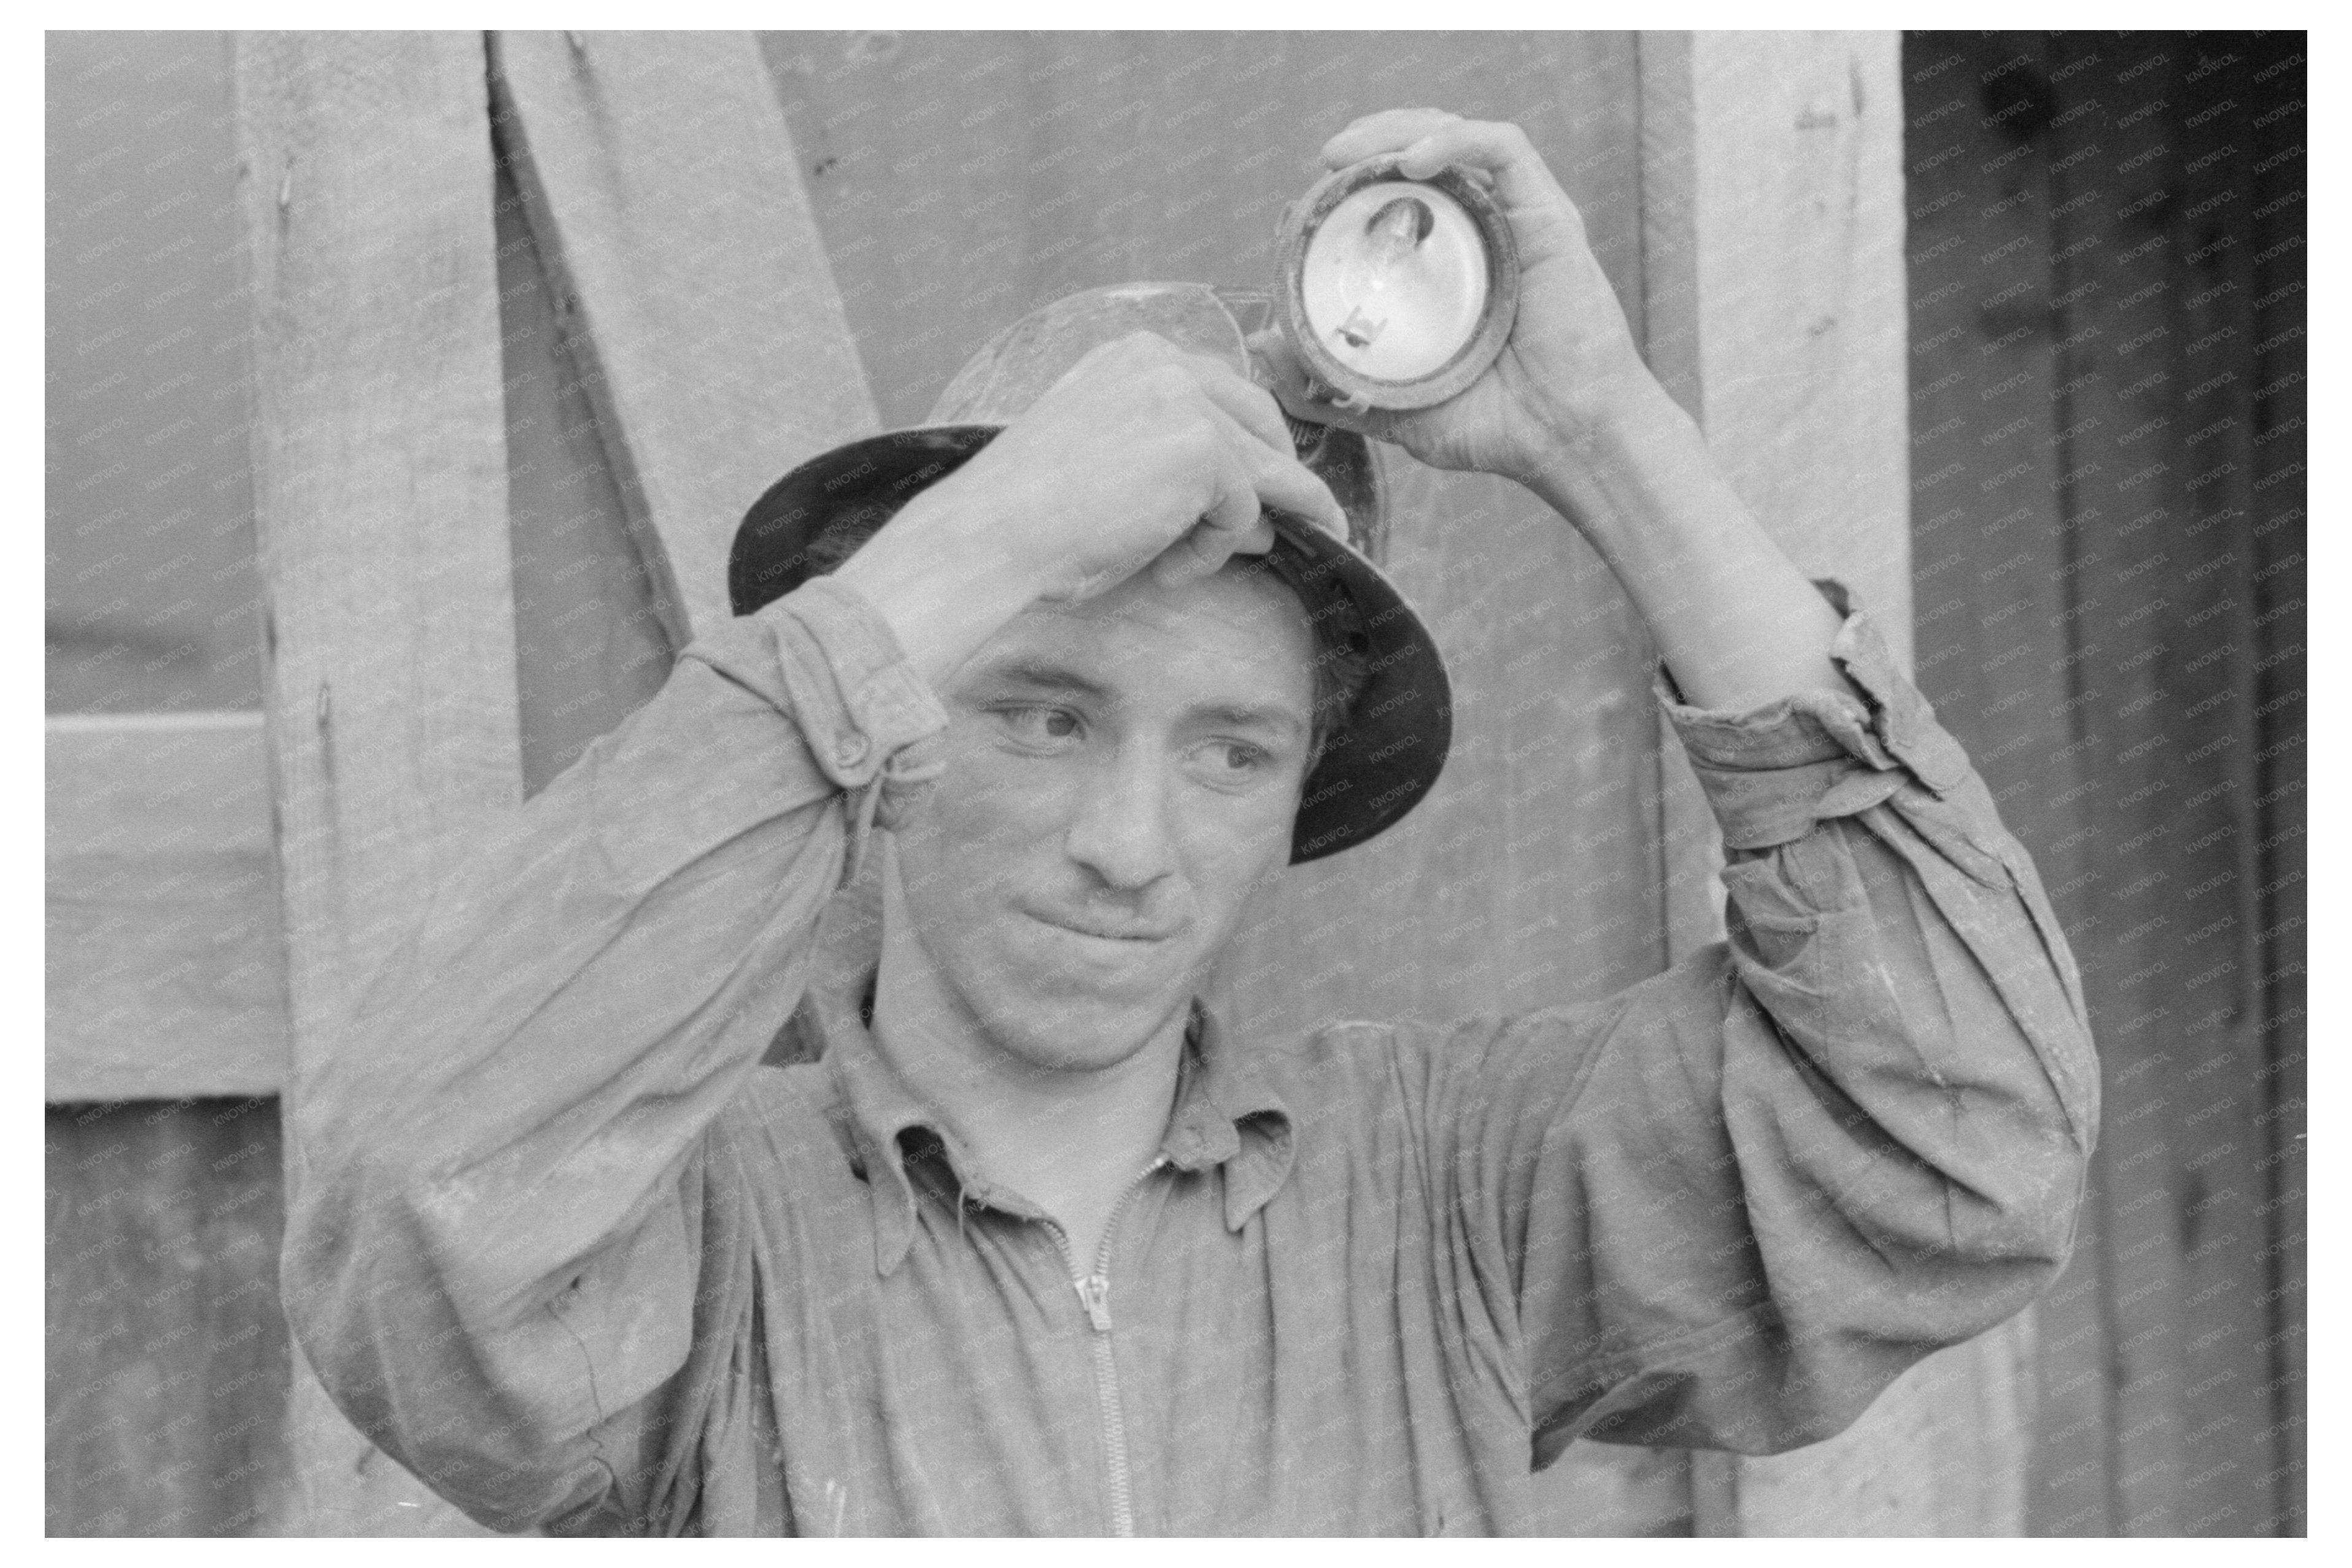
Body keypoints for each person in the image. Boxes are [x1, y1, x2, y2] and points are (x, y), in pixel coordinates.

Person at [284, 110, 2098, 1537]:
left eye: (1232, 750)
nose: (1130, 845)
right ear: (898, 732)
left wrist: (1604, 430)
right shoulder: (703, 1236)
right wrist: (978, 549)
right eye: (1046, 712)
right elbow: (416, 1211)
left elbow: (1961, 1140)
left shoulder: (1455, 1191)